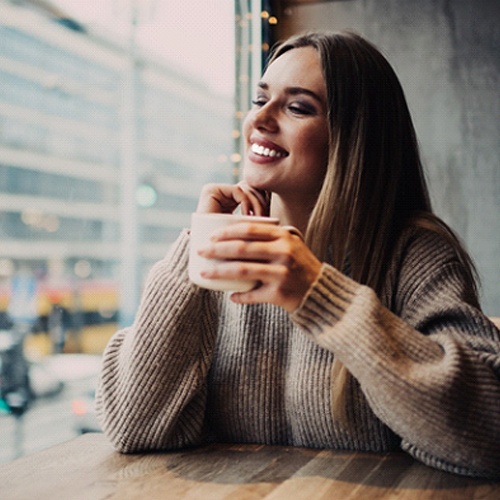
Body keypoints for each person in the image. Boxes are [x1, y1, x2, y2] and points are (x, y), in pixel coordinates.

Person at [95, 31, 500, 478]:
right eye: (259, 99)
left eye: (297, 107)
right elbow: (133, 428)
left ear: (353, 138)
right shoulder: (223, 248)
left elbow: (488, 435)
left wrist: (318, 293)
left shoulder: (414, 253)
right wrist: (195, 246)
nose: (261, 119)